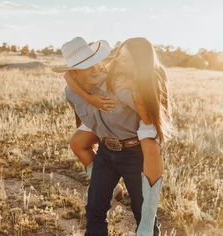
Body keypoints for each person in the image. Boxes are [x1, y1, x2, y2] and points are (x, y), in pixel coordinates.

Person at [52, 36, 172, 236]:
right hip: (106, 154)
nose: (97, 68)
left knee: (144, 218)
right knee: (94, 211)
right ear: (74, 72)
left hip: (135, 154)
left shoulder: (123, 86)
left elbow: (152, 130)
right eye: (87, 67)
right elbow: (73, 94)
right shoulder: (72, 93)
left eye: (95, 62)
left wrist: (154, 143)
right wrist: (90, 99)